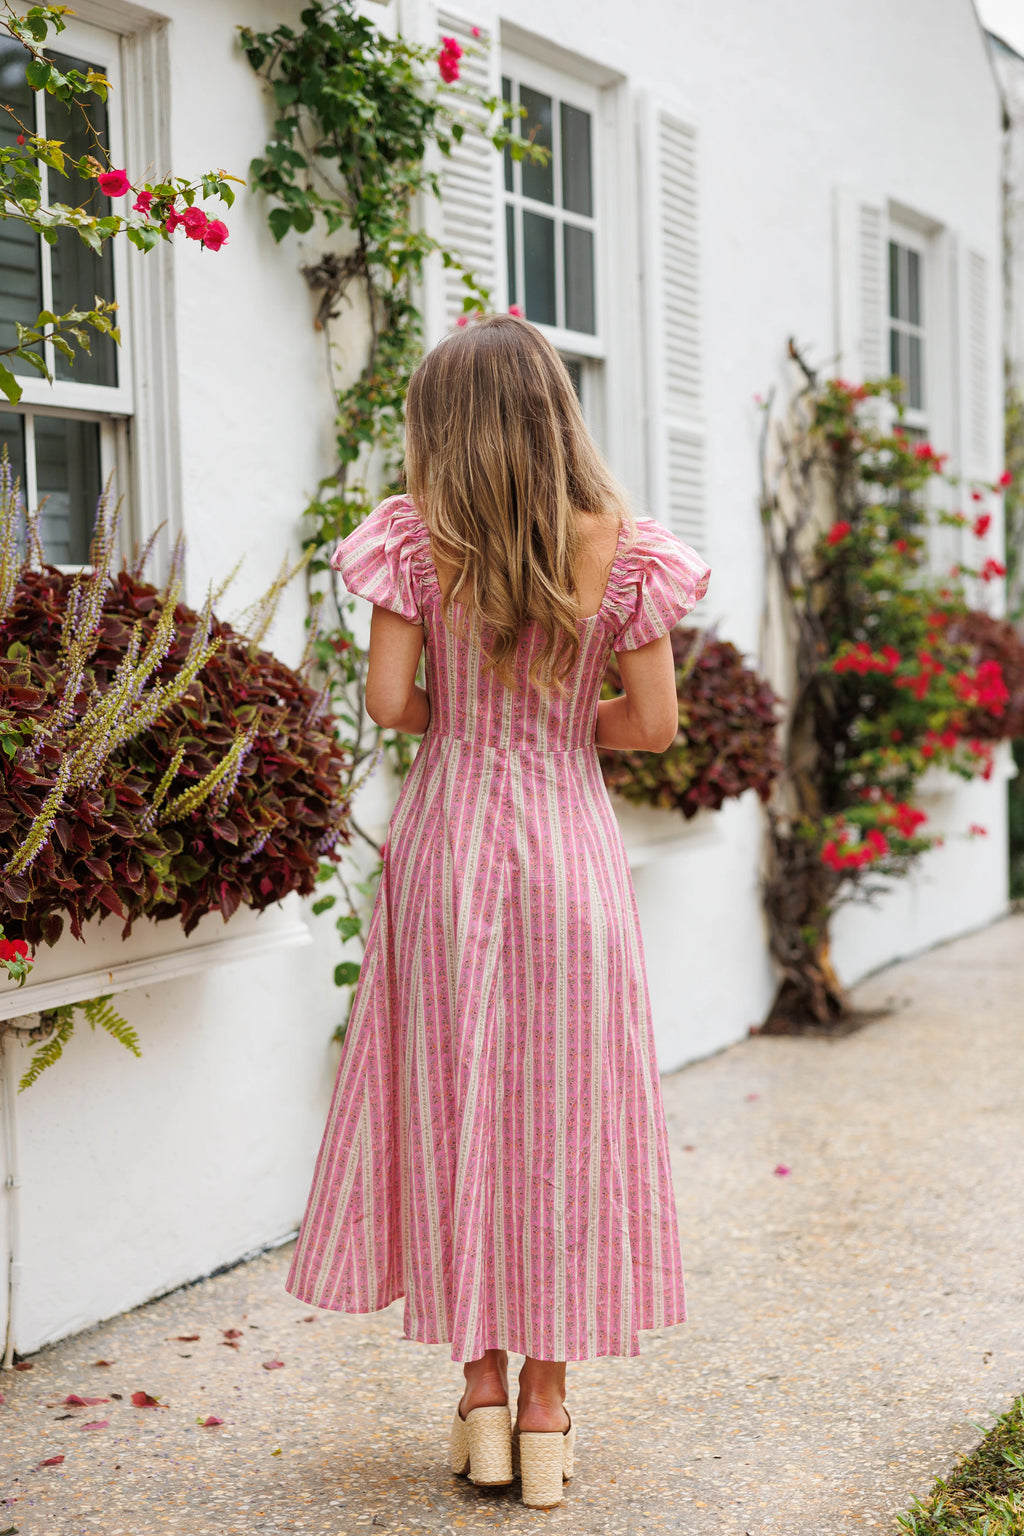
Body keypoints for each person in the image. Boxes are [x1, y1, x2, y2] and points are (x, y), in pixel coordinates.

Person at [285, 313, 710, 1509]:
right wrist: (558, 723)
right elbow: (656, 726)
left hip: (448, 846)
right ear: (553, 411)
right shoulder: (624, 551)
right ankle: (547, 1417)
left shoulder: (416, 546)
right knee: (568, 1122)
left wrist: (472, 717)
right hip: (569, 850)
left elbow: (387, 702)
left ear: (440, 424)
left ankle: (476, 1398)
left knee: (456, 1098)